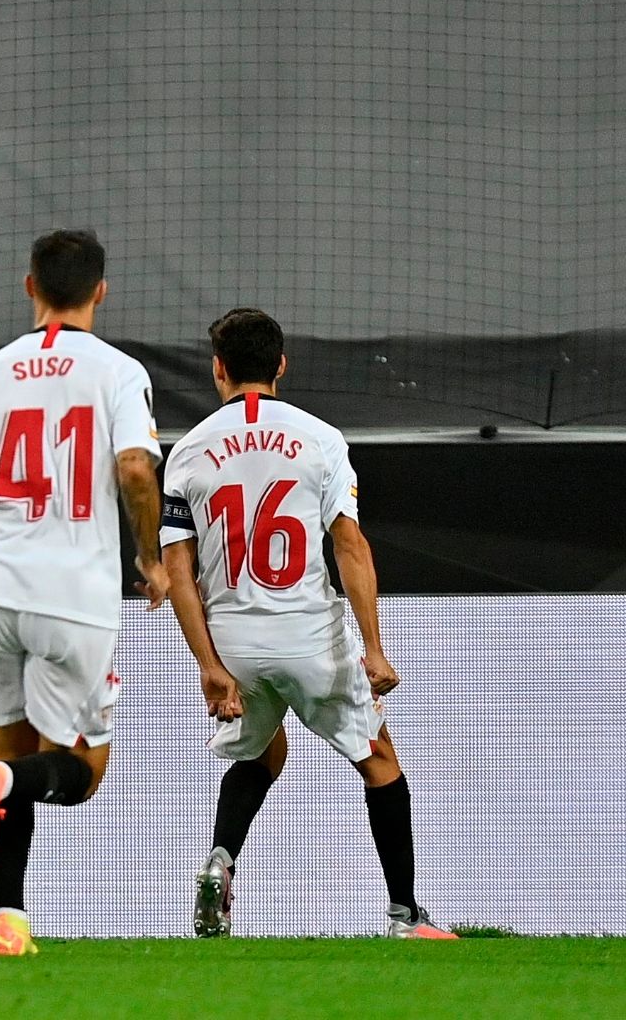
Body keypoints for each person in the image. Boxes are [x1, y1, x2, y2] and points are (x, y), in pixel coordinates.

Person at [159, 308, 457, 940]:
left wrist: (210, 667)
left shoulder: (187, 451)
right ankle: (406, 915)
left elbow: (176, 569)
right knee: (378, 760)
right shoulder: (320, 439)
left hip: (234, 643)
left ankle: (218, 862)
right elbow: (350, 548)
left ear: (217, 368)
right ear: (282, 366)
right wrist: (373, 649)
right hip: (309, 638)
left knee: (265, 749)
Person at [0, 229, 169, 957]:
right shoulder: (118, 371)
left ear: (29, 287)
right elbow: (135, 472)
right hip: (73, 593)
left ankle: (9, 923)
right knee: (78, 775)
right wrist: (149, 558)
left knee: (10, 756)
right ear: (101, 291)